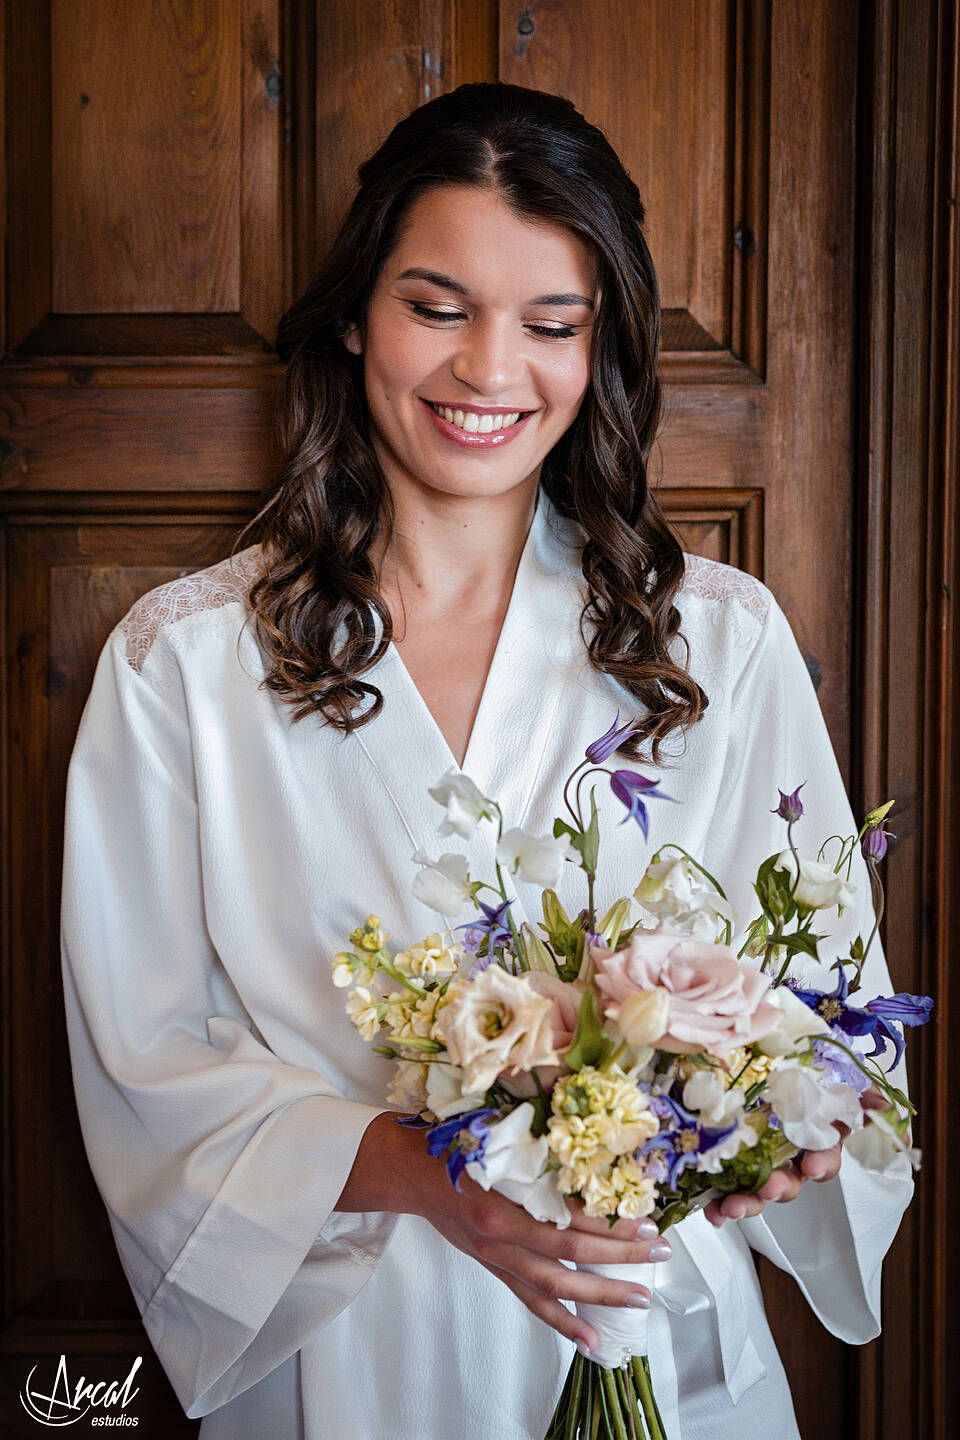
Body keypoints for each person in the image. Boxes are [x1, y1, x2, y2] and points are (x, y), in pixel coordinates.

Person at [60, 83, 914, 1440]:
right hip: (351, 1353)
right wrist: (437, 1179)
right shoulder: (186, 667)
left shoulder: (714, 643)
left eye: (551, 324)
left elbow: (832, 1011)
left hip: (647, 1324)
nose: (489, 369)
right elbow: (147, 1062)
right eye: (438, 307)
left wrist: (776, 1128)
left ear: (601, 347)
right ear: (357, 314)